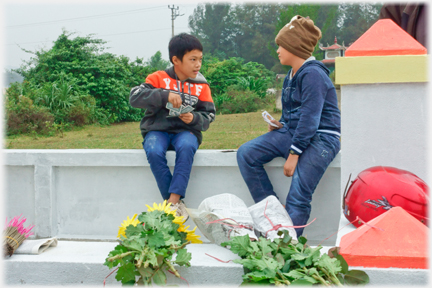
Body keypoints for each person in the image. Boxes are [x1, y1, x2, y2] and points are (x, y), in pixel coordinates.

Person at [236, 15, 341, 237]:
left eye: (281, 45)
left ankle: (287, 249)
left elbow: (311, 119)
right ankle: (272, 213)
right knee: (247, 153)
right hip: (296, 132)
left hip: (321, 138)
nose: (278, 50)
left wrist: (294, 154)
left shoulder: (312, 74)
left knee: (299, 195)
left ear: (296, 46)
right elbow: (293, 114)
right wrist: (279, 124)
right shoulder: (291, 75)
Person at [129, 33, 215, 220]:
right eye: (192, 59)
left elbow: (209, 116)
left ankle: (173, 202)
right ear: (176, 60)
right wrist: (164, 95)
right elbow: (134, 97)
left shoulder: (202, 85)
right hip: (157, 131)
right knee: (153, 149)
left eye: (200, 59)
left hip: (186, 132)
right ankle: (174, 204)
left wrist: (193, 118)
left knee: (186, 147)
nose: (198, 64)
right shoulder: (158, 78)